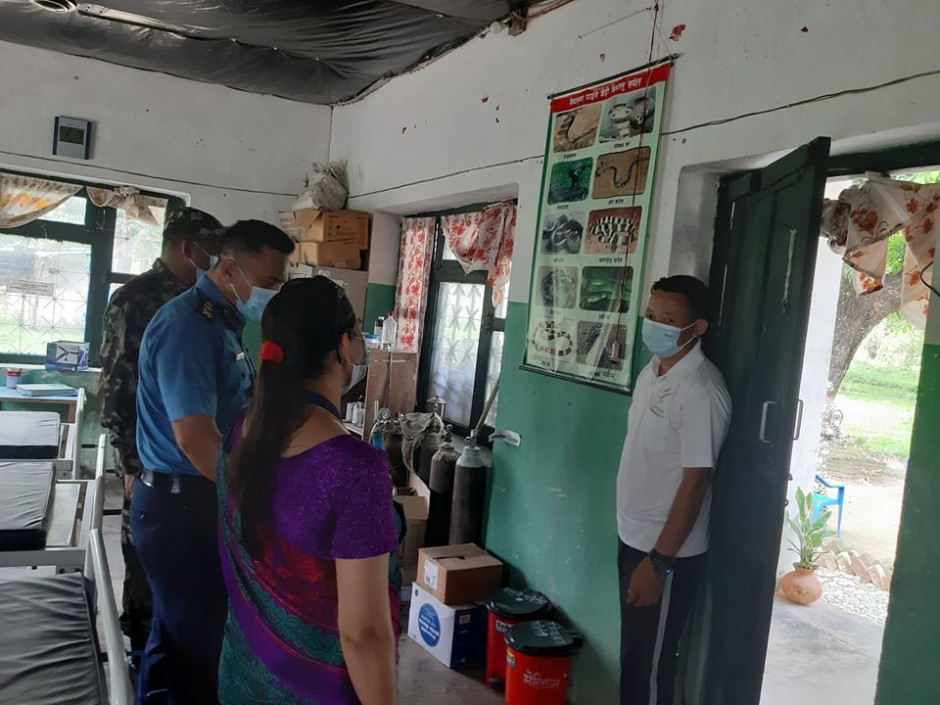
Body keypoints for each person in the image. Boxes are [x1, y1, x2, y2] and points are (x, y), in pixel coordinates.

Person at [132, 220, 294, 704]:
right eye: (268, 282)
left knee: (180, 637)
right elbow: (197, 440)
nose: (273, 294)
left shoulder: (222, 323)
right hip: (181, 509)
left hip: (195, 500)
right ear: (228, 270)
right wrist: (258, 500)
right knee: (195, 649)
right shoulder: (188, 328)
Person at [217, 276, 398, 705]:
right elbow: (364, 634)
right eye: (358, 335)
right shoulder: (356, 469)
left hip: (240, 679)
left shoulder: (241, 432)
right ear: (343, 348)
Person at [98, 206, 224, 656]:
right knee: (145, 572)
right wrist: (129, 465)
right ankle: (139, 661)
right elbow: (115, 390)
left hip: (190, 469)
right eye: (213, 250)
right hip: (149, 463)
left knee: (183, 588)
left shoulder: (203, 307)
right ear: (189, 248)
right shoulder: (135, 300)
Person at [617, 275, 732, 705]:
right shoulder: (652, 372)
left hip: (665, 553)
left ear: (697, 328)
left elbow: (696, 481)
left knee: (649, 668)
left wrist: (659, 562)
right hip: (633, 537)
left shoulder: (701, 389)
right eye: (651, 314)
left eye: (668, 320)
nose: (654, 325)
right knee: (635, 658)